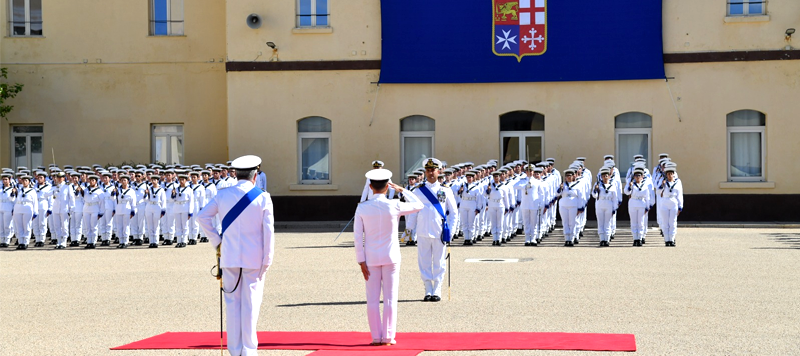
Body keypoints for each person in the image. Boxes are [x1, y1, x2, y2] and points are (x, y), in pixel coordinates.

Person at [198, 155, 275, 356]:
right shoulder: (263, 197)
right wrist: (267, 260)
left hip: (230, 257)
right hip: (254, 259)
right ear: (255, 175)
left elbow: (202, 217)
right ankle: (249, 350)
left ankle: (234, 350)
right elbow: (269, 232)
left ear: (235, 174)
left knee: (232, 305)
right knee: (251, 304)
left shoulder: (222, 195)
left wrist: (218, 242)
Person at [354, 169, 423, 346]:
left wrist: (360, 260)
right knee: (391, 298)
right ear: (387, 187)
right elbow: (419, 205)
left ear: (370, 186)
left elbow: (357, 236)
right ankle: (388, 337)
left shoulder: (362, 207)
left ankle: (376, 337)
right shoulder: (394, 205)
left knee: (372, 299)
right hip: (391, 256)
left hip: (370, 258)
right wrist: (402, 190)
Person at [413, 158, 457, 302]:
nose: (431, 173)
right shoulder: (418, 190)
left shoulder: (445, 189)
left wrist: (451, 231)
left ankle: (437, 289)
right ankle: (427, 289)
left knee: (439, 262)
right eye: (428, 170)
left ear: (439, 171)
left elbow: (454, 212)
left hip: (439, 232)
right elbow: (413, 212)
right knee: (424, 262)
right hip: (423, 231)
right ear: (425, 172)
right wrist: (410, 231)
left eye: (433, 170)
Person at [625, 168, 651, 246]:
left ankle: (639, 238)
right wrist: (629, 186)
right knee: (633, 222)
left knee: (640, 222)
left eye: (639, 175)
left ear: (642, 176)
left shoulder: (645, 185)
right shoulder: (632, 184)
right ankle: (635, 238)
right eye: (636, 176)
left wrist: (647, 207)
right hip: (633, 202)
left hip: (641, 203)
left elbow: (647, 197)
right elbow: (626, 192)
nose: (637, 177)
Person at [657, 166, 683, 246]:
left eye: (671, 174)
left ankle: (671, 239)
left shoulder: (677, 182)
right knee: (665, 222)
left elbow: (680, 194)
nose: (669, 175)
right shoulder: (663, 181)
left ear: (673, 174)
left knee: (672, 222)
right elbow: (658, 191)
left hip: (673, 201)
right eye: (668, 174)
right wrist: (662, 185)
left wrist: (680, 206)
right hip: (665, 201)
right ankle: (666, 240)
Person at [592, 168, 618, 247]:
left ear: (609, 176)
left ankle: (606, 239)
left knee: (608, 222)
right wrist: (596, 190)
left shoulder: (612, 186)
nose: (605, 177)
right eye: (603, 176)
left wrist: (614, 208)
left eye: (606, 176)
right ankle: (601, 239)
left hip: (609, 203)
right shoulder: (598, 185)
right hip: (600, 203)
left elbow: (615, 198)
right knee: (600, 222)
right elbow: (594, 196)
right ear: (601, 177)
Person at [13, 175, 37, 250]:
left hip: (27, 209)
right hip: (18, 208)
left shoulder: (32, 191)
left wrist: (35, 212)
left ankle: (26, 242)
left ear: (29, 182)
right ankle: (20, 242)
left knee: (26, 226)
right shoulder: (19, 190)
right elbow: (15, 200)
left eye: (26, 181)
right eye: (23, 181)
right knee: (19, 226)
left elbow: (35, 202)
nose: (24, 182)